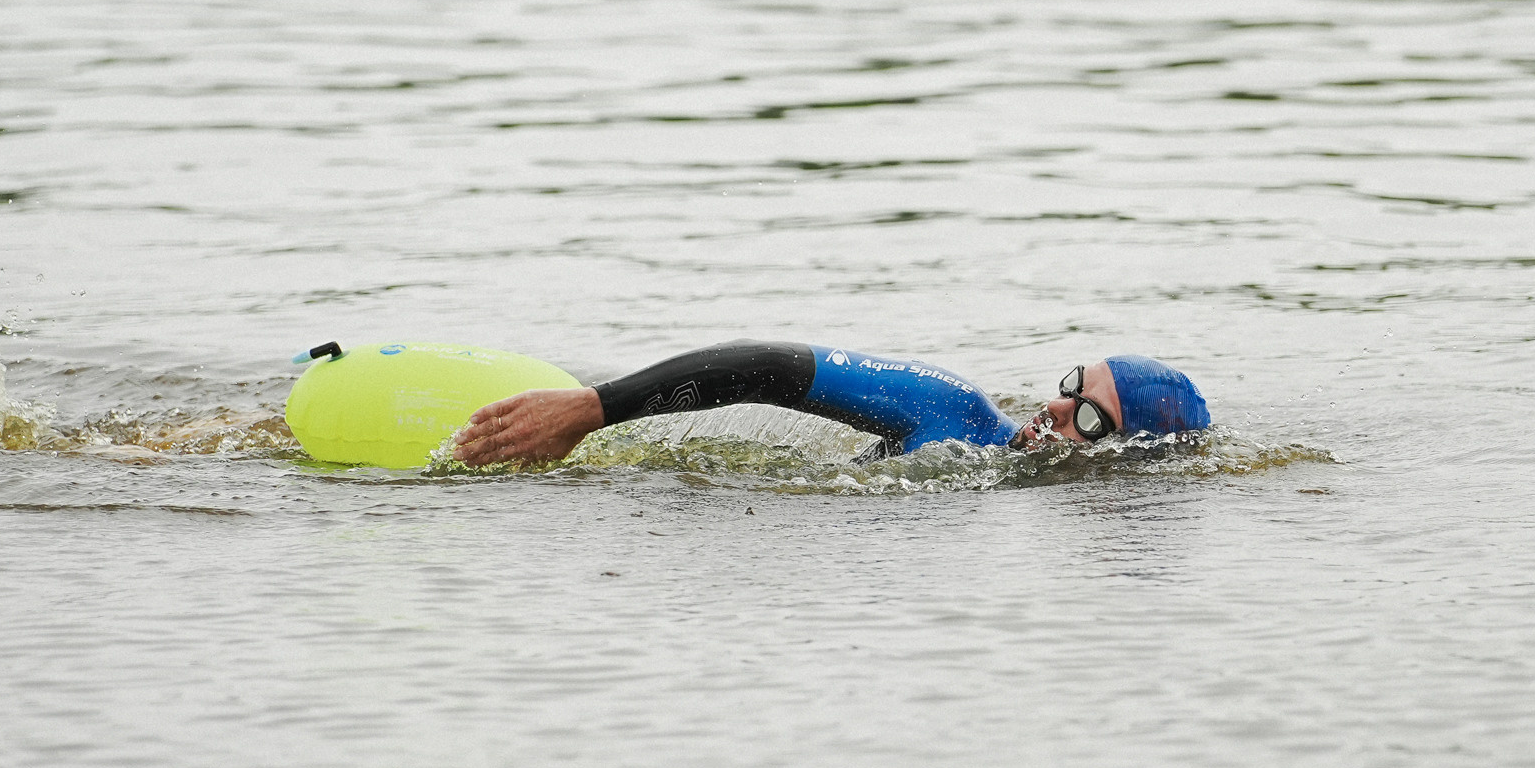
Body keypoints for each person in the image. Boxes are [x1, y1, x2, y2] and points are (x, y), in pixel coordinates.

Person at [451, 340, 1208, 468]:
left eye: (1089, 416)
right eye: (1073, 383)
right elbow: (770, 367)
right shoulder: (953, 413)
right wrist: (593, 409)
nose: (1055, 407)